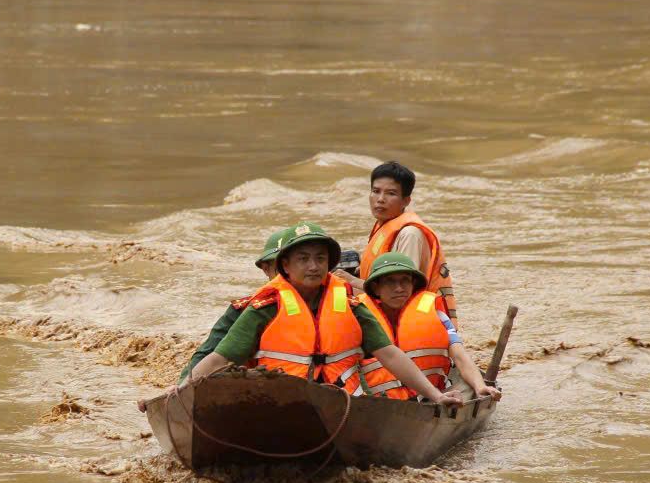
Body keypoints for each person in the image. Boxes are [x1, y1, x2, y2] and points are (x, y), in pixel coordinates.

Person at [183, 222, 466, 408]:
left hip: (341, 406)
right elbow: (219, 357)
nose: (313, 266)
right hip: (278, 404)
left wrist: (436, 396)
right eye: (303, 259)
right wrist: (181, 390)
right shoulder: (263, 309)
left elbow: (390, 354)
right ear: (285, 266)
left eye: (320, 259)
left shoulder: (353, 308)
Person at [357, 252, 500, 402]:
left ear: (413, 285)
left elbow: (459, 355)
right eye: (390, 281)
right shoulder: (359, 318)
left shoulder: (437, 316)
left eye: (405, 281)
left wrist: (479, 386)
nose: (399, 288)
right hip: (377, 402)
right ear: (376, 288)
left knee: (467, 389)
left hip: (432, 398)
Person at [333, 160, 459, 327]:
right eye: (375, 191)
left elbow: (402, 292)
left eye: (390, 194)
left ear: (406, 200)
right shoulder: (383, 225)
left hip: (415, 322)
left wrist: (352, 281)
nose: (380, 199)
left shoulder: (410, 234)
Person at [177, 227, 287, 382]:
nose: (290, 276)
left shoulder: (330, 304)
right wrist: (182, 386)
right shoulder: (246, 309)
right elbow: (207, 352)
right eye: (282, 269)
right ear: (266, 269)